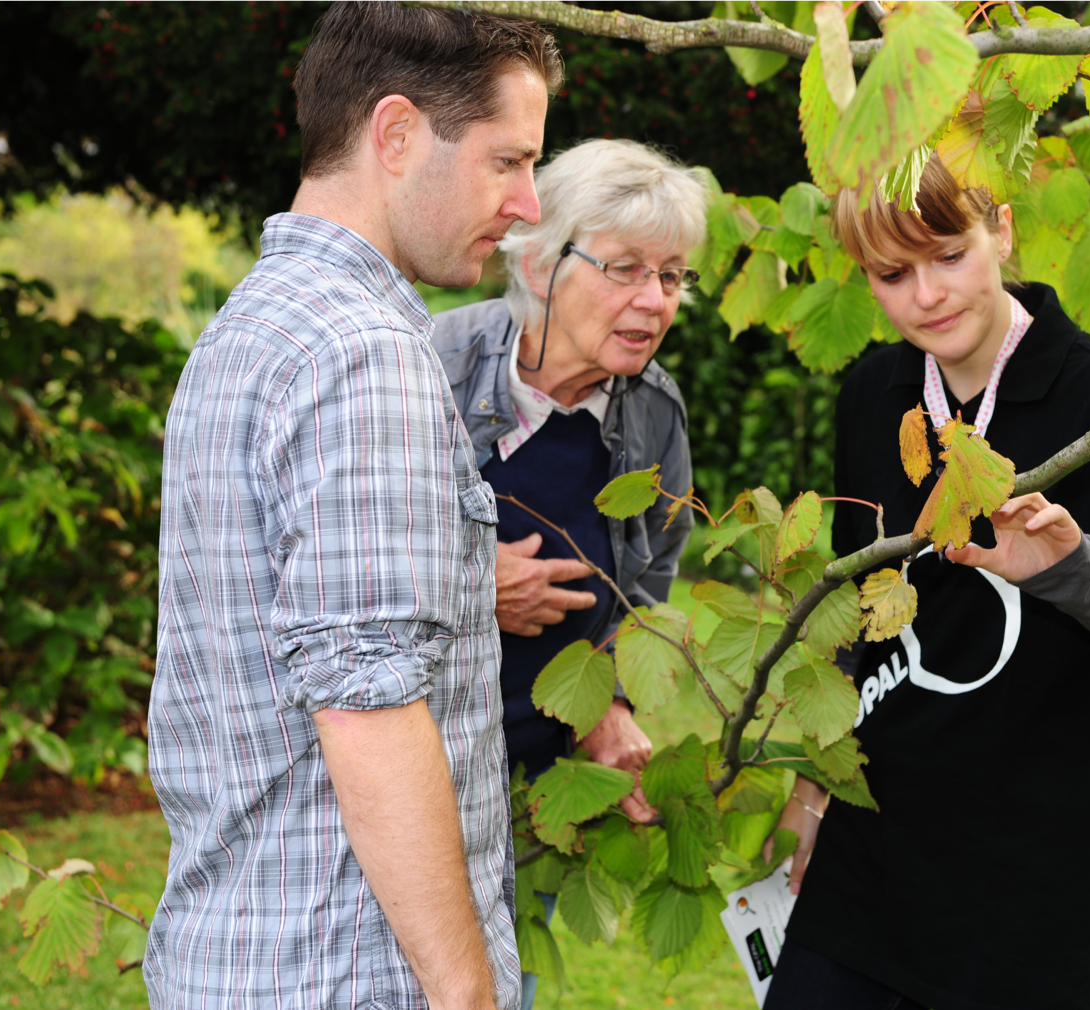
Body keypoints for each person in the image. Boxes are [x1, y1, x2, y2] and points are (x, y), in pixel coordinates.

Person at [763, 157, 1090, 1010]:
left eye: (949, 254)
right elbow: (857, 626)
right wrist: (812, 795)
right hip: (868, 871)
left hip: (1030, 900)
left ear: (1000, 230)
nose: (927, 296)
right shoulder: (873, 392)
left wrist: (1077, 569)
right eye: (892, 274)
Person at [147, 2, 560, 1008]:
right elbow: (368, 708)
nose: (531, 204)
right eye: (509, 160)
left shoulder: (254, 323)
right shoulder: (361, 354)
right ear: (397, 133)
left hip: (247, 954)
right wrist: (465, 992)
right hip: (348, 973)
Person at [429, 139, 708, 1009]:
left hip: (539, 782)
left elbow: (650, 579)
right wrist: (475, 588)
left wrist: (611, 702)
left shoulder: (653, 412)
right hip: (416, 761)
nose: (654, 300)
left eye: (672, 275)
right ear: (543, 264)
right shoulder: (430, 365)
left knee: (506, 980)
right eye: (625, 268)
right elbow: (347, 560)